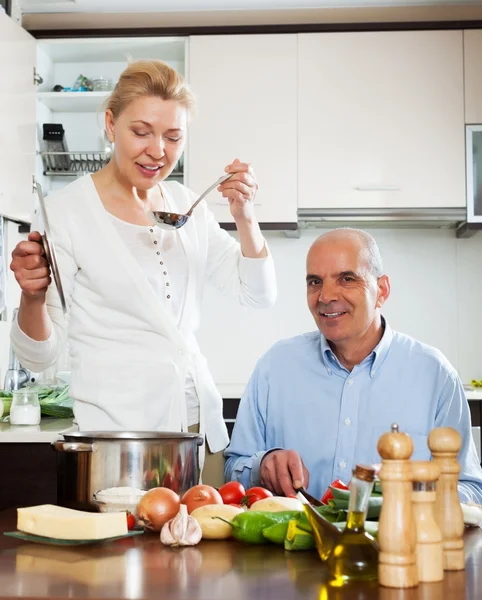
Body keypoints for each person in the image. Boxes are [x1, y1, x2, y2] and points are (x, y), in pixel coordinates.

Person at [9, 59, 276, 486]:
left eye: (174, 137)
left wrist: (245, 215)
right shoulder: (65, 214)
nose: (158, 151)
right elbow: (40, 356)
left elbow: (257, 293)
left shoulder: (187, 203)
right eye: (141, 132)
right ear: (111, 124)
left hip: (196, 431)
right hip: (116, 440)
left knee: (198, 551)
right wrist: (32, 296)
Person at [224, 228, 482, 503]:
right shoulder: (274, 367)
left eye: (346, 279)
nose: (325, 296)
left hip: (397, 543)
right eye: (315, 282)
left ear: (381, 290)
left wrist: (411, 492)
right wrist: (263, 465)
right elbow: (233, 471)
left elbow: (471, 489)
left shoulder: (436, 375)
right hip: (292, 542)